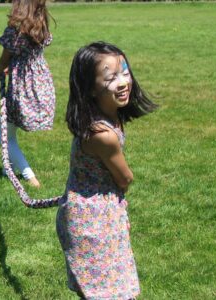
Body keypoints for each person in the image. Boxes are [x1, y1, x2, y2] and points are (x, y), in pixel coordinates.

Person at [56, 41, 158, 299]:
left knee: (112, 288)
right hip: (91, 219)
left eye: (125, 72)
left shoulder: (104, 118)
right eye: (111, 77)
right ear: (90, 88)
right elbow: (124, 178)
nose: (123, 82)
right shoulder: (103, 135)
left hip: (100, 211)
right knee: (108, 292)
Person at [0, 0, 56, 187]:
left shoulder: (15, 32)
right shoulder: (40, 27)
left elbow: (5, 57)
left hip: (22, 85)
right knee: (8, 130)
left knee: (3, 136)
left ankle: (29, 176)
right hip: (40, 81)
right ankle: (8, 170)